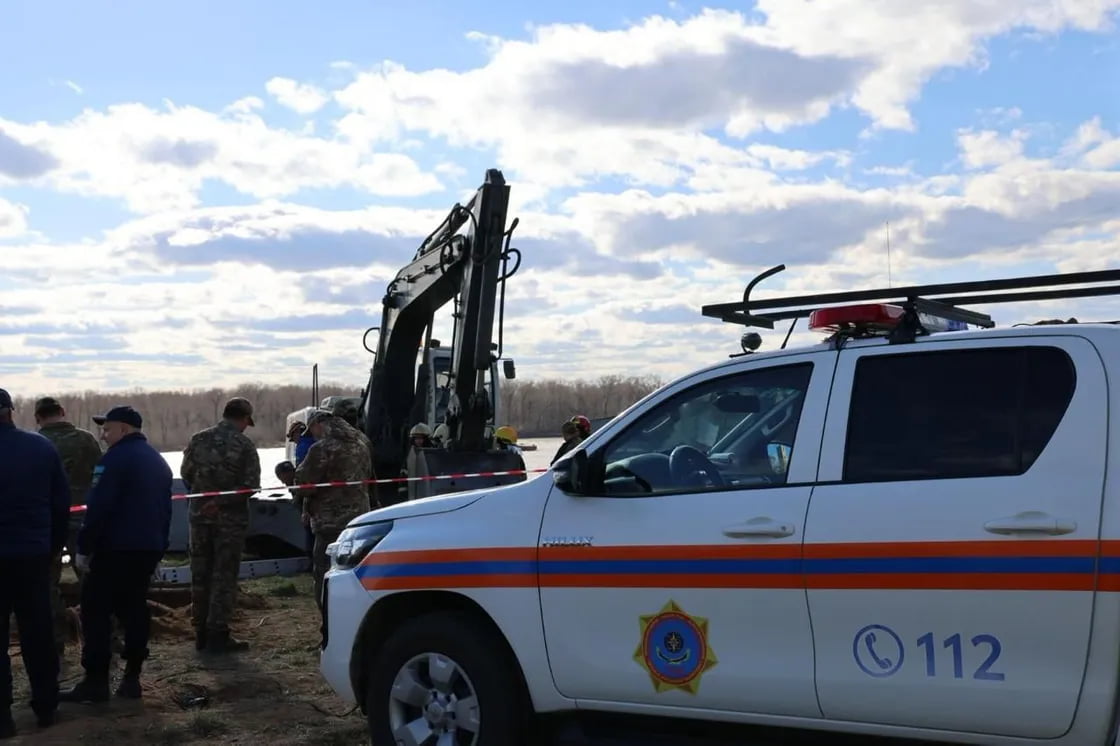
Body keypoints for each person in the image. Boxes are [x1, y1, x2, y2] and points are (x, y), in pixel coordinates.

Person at [60, 406, 171, 704]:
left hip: (114, 549)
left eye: (107, 429)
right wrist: (159, 548)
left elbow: (99, 508)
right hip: (145, 549)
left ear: (124, 429)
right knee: (135, 610)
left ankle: (95, 682)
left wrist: (84, 547)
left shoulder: (114, 460)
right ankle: (132, 677)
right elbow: (166, 511)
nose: (103, 434)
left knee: (95, 612)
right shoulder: (158, 461)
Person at [0, 388, 68, 737]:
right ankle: (46, 706)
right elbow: (61, 504)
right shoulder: (41, 447)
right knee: (37, 633)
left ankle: (2, 718)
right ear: (10, 411)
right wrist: (52, 546)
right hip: (32, 555)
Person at [180, 397, 261, 655]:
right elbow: (250, 485)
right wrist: (222, 500)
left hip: (199, 516)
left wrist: (207, 497)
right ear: (244, 419)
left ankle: (200, 632)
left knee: (200, 573)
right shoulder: (244, 445)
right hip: (230, 521)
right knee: (223, 576)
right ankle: (218, 634)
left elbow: (186, 474)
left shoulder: (198, 439)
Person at [33, 396, 103, 654]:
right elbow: (101, 475)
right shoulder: (86, 439)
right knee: (91, 576)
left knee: (46, 580)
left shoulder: (36, 444)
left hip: (47, 519)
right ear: (62, 412)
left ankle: (55, 637)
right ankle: (101, 634)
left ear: (38, 417)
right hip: (84, 516)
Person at [293, 410, 372, 609]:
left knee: (325, 574)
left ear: (319, 424)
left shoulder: (322, 449)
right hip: (360, 520)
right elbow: (371, 478)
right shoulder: (362, 443)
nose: (313, 435)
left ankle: (328, 625)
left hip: (330, 523)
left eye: (312, 430)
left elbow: (303, 483)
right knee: (357, 571)